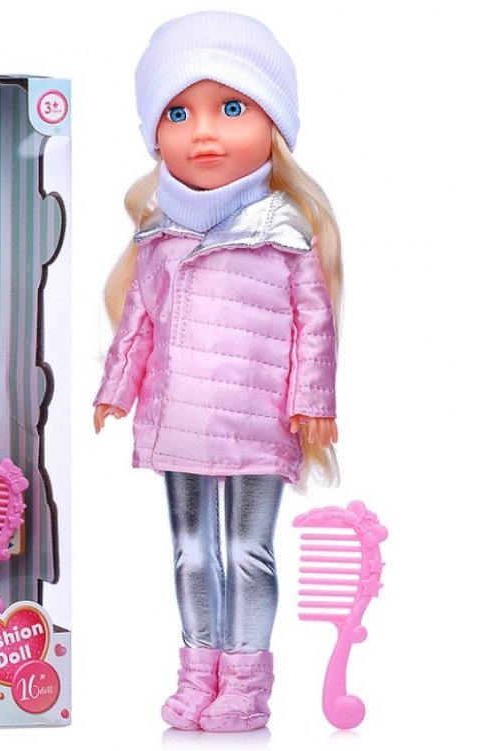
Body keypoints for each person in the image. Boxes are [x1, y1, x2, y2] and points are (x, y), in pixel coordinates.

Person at [94, 12, 340, 732]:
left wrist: (314, 401)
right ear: (155, 134)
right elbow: (137, 323)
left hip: (260, 420)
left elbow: (315, 328)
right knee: (191, 551)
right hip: (180, 418)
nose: (203, 133)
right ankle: (197, 673)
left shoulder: (286, 236)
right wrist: (114, 391)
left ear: (274, 125)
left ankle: (246, 684)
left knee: (248, 549)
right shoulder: (158, 238)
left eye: (231, 108)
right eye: (178, 113)